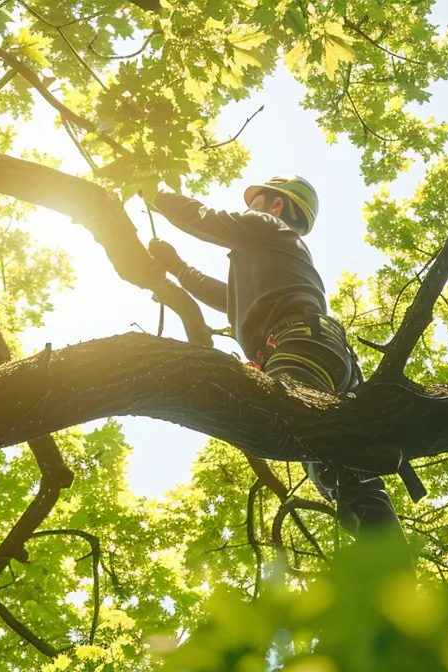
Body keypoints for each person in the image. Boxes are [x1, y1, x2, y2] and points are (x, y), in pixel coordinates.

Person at [144, 175, 416, 534]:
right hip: (320, 350)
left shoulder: (266, 226)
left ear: (277, 206)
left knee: (291, 423)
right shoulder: (268, 261)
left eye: (256, 202)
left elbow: (202, 217)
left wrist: (155, 190)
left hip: (301, 346)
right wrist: (178, 268)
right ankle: (388, 569)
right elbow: (229, 300)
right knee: (342, 467)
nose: (247, 209)